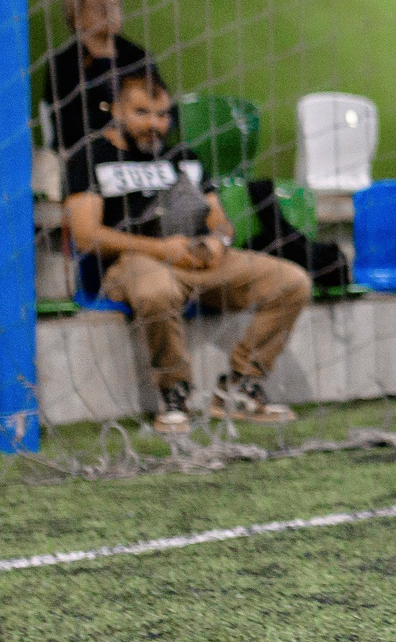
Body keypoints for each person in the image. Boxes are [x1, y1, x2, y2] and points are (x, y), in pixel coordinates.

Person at [62, 71, 309, 433]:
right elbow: (86, 236)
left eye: (162, 115)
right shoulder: (89, 157)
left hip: (194, 258)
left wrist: (217, 241)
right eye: (142, 113)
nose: (156, 125)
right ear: (116, 111)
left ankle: (240, 386)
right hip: (131, 263)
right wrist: (160, 249)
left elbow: (222, 223)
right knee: (158, 291)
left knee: (293, 281)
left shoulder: (183, 156)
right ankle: (175, 393)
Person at [41, 0, 161, 152]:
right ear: (77, 18)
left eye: (114, 5)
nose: (110, 13)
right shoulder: (64, 64)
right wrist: (107, 133)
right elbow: (67, 122)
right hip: (86, 151)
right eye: (100, 7)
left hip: (138, 145)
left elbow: (162, 104)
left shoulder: (138, 57)